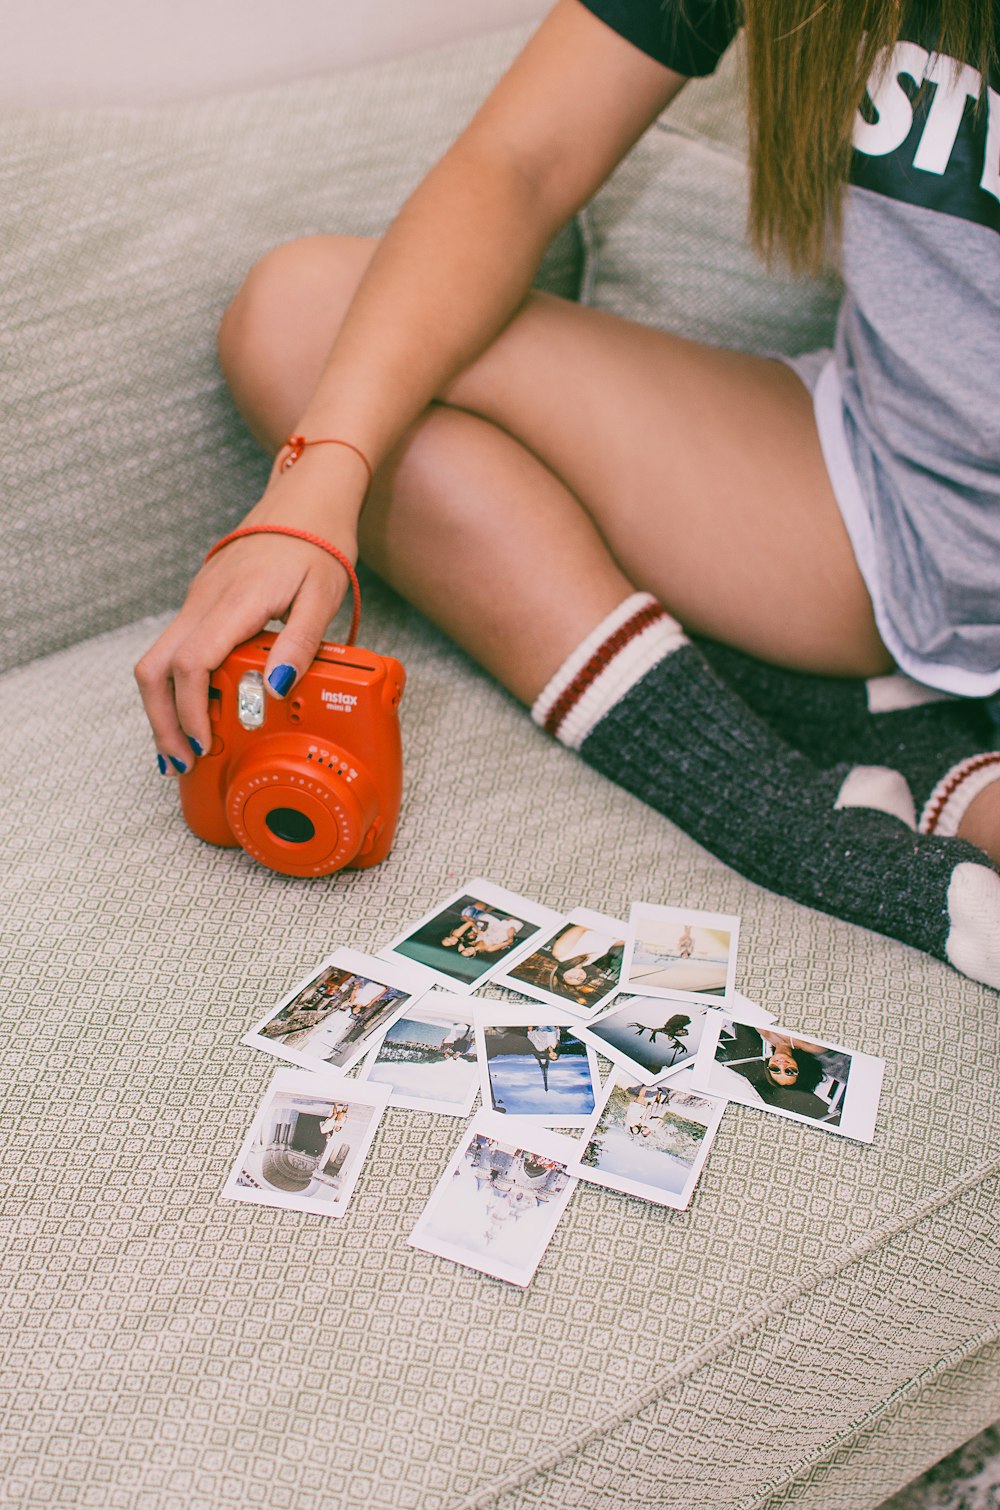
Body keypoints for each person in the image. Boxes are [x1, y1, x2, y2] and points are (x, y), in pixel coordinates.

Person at [134, 0, 1000, 989]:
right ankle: (780, 808)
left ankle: (900, 753)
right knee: (302, 318)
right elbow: (521, 160)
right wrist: (316, 479)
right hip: (869, 480)